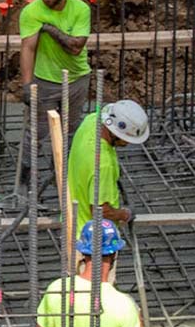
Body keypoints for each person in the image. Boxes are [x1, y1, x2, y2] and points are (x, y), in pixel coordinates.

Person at [16, 0, 92, 198]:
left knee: (69, 132)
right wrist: (27, 84)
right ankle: (24, 183)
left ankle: (59, 177)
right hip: (45, 82)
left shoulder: (80, 9)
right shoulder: (31, 12)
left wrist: (50, 29)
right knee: (35, 133)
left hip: (76, 80)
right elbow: (28, 48)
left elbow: (76, 47)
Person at [64, 100, 149, 240]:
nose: (127, 143)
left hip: (73, 217)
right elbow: (101, 212)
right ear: (115, 133)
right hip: (91, 237)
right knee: (100, 263)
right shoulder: (103, 165)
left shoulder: (91, 121)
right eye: (126, 139)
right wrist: (124, 214)